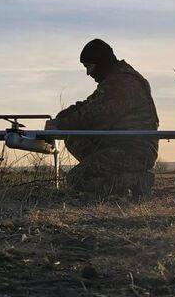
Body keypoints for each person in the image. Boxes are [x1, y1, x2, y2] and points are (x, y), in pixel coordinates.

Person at [45, 39, 159, 196]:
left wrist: (62, 125)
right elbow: (89, 104)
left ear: (100, 62)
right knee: (74, 137)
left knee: (77, 179)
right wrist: (63, 117)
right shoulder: (115, 79)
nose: (88, 73)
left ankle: (135, 180)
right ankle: (115, 176)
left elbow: (96, 116)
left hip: (134, 150)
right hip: (119, 144)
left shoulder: (123, 82)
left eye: (89, 67)